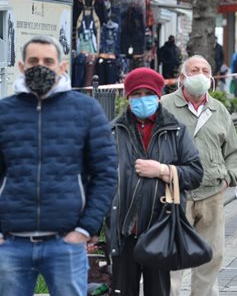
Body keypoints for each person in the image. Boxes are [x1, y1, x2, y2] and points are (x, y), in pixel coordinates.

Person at [0, 35, 118, 296]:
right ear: (21, 66)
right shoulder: (4, 112)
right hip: (11, 243)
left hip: (65, 241)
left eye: (47, 61)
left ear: (62, 67)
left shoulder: (86, 111)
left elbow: (106, 173)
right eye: (33, 61)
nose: (40, 66)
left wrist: (86, 227)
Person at [109, 67, 203, 296]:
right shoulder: (112, 132)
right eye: (136, 94)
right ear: (128, 97)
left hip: (161, 228)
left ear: (158, 96)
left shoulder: (176, 131)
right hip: (124, 232)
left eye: (148, 93)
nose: (142, 99)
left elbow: (195, 174)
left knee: (158, 291)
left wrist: (163, 170)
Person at [161, 56, 237, 296]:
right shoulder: (164, 105)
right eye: (194, 70)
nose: (200, 74)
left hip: (212, 192)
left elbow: (234, 151)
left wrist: (228, 178)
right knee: (171, 256)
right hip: (175, 192)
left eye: (205, 70)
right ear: (182, 78)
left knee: (212, 255)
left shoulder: (218, 109)